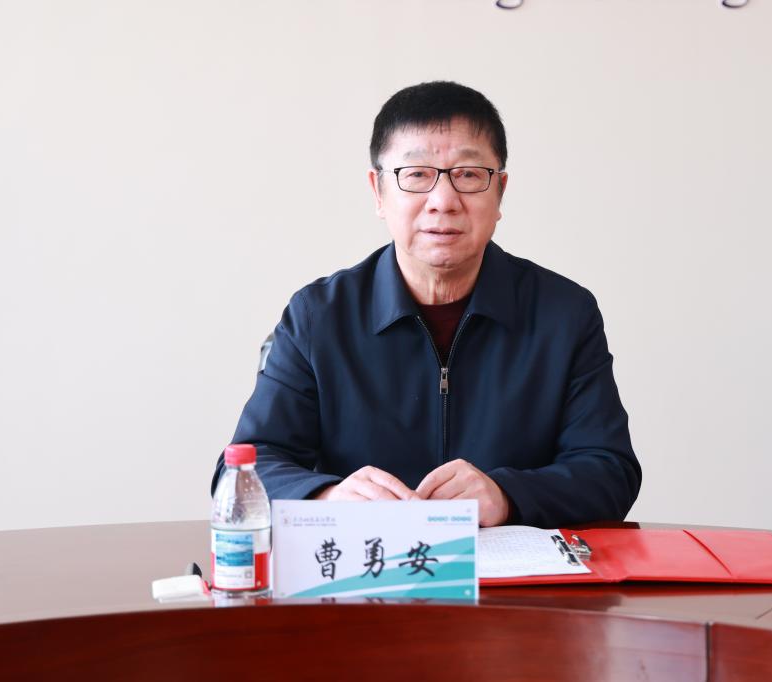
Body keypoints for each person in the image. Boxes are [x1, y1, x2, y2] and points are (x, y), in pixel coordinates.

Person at [211, 81, 641, 528]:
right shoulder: (319, 316)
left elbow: (610, 471)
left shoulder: (564, 314)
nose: (443, 201)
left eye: (468, 175)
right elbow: (243, 469)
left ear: (500, 192)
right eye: (416, 175)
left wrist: (507, 496)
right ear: (378, 191)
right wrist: (328, 496)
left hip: (511, 568)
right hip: (366, 566)